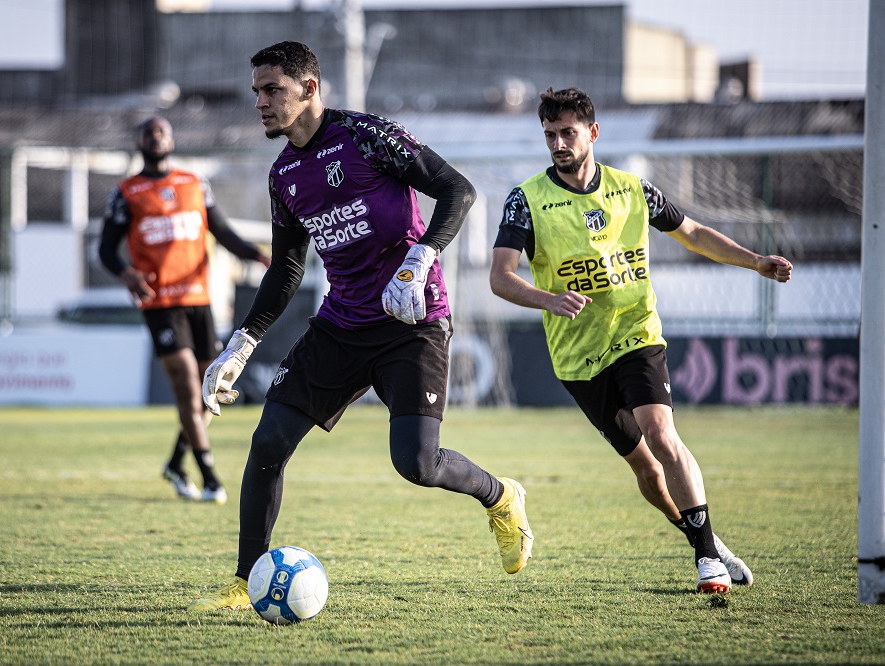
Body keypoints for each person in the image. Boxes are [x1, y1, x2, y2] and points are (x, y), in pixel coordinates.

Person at [191, 41, 533, 611]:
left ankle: (502, 498)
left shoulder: (366, 136)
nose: (262, 102)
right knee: (268, 441)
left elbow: (459, 190)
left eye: (273, 89)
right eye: (256, 92)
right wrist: (240, 345)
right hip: (341, 326)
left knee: (416, 464)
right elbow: (286, 268)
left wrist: (420, 259)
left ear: (310, 88)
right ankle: (246, 576)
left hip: (412, 323)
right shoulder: (285, 175)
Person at [489, 87, 793, 594]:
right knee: (646, 471)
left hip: (636, 334)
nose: (558, 144)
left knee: (661, 433)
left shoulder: (633, 190)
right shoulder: (527, 201)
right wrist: (549, 300)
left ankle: (705, 562)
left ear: (593, 132)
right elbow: (501, 277)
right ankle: (709, 541)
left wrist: (755, 261)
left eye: (568, 133)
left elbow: (693, 233)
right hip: (578, 358)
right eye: (550, 135)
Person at [99, 116, 271, 504]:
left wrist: (259, 256)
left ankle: (177, 462)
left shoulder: (194, 184)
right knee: (188, 387)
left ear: (172, 140)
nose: (156, 137)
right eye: (149, 132)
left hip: (199, 300)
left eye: (162, 131)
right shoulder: (127, 192)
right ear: (139, 141)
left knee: (212, 388)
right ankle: (210, 476)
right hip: (160, 304)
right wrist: (126, 273)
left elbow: (222, 232)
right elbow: (105, 251)